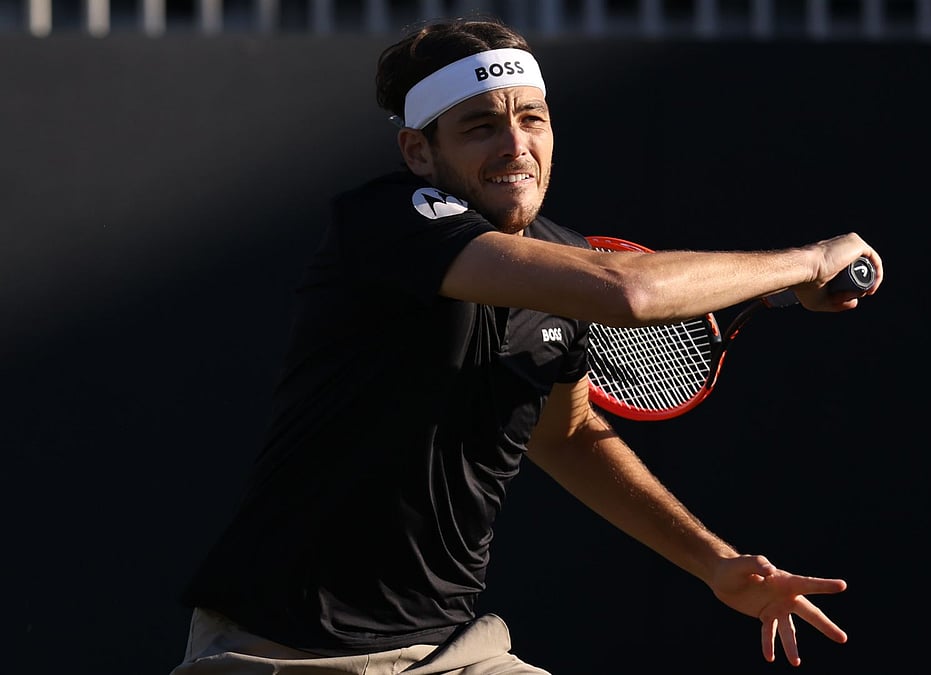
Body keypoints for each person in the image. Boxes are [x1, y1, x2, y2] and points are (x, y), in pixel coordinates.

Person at [169, 15, 883, 675]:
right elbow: (629, 293)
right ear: (419, 151)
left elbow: (567, 435)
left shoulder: (564, 267)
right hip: (285, 650)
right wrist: (809, 261)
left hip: (447, 650)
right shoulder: (386, 222)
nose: (515, 146)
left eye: (531, 119)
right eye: (480, 127)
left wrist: (715, 563)